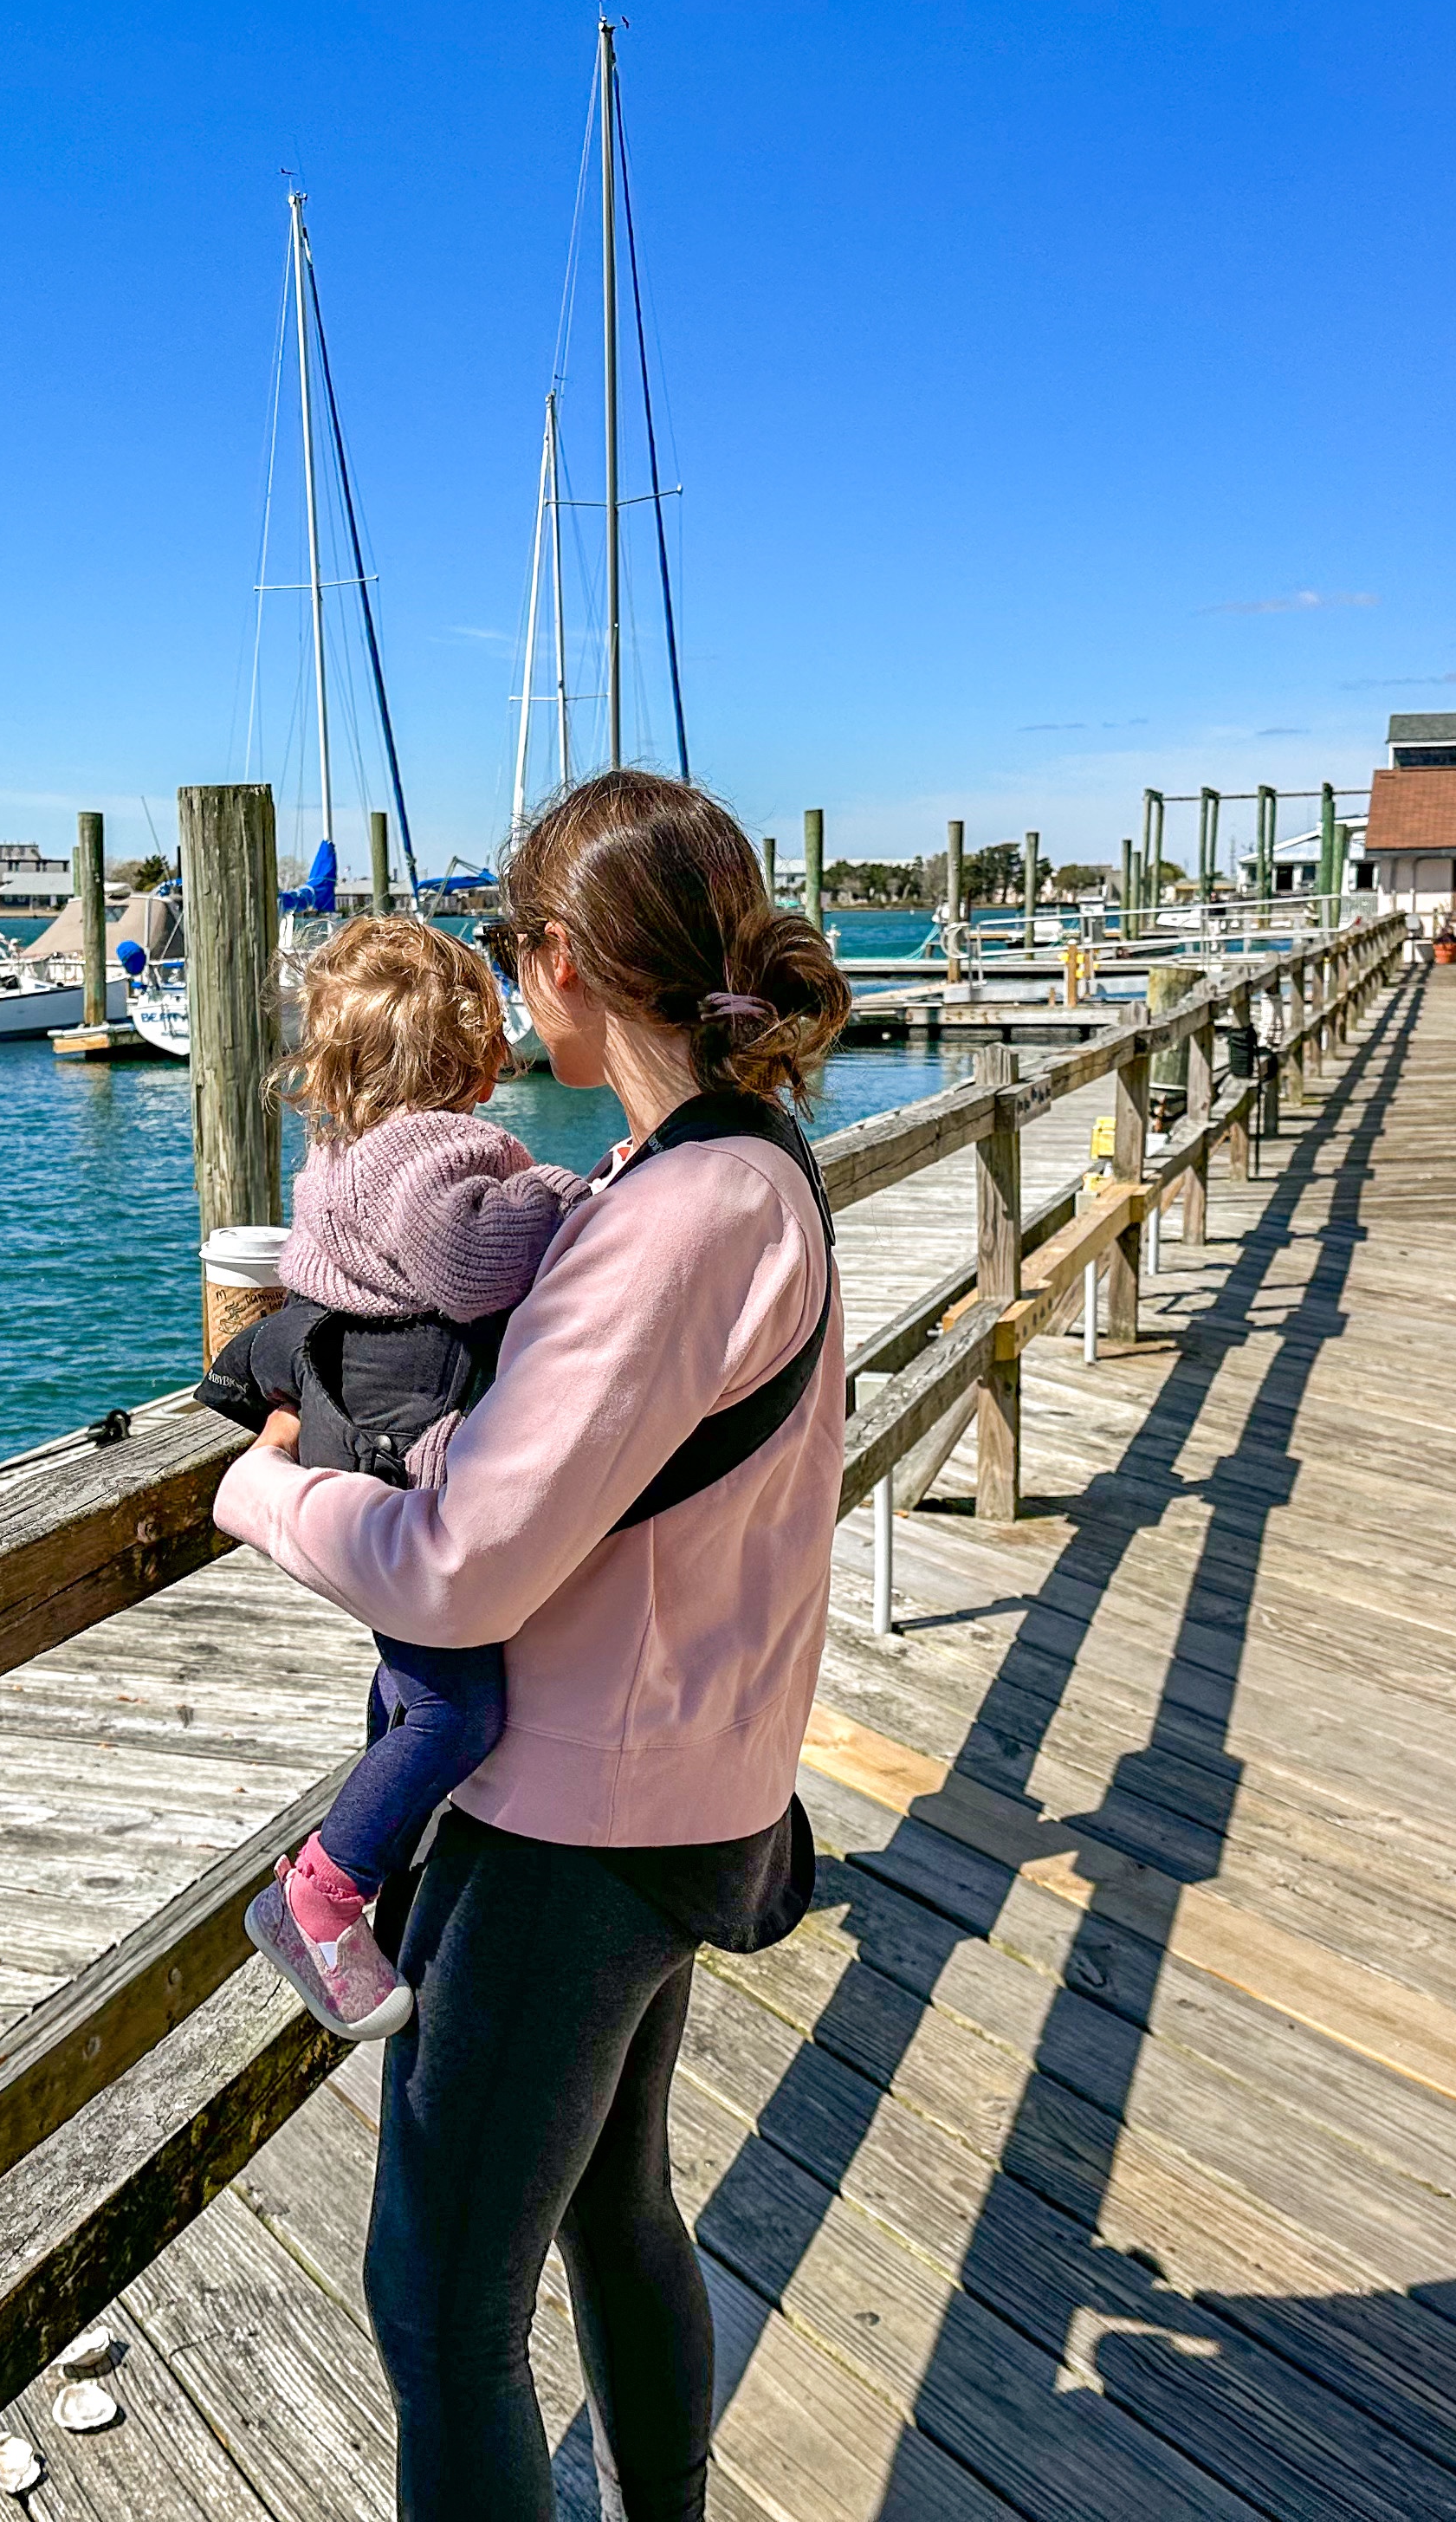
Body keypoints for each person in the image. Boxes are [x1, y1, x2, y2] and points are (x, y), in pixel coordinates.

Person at [215, 769, 857, 2522]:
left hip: (578, 1833)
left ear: (565, 960)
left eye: (515, 945)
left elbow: (458, 1568)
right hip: (695, 1789)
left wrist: (260, 1498)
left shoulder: (669, 1219)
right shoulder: (737, 1168)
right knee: (614, 2211)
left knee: (438, 2310)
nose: (512, 975)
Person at [196, 916, 584, 2039]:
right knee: (461, 1711)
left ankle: (386, 1846)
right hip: (405, 1463)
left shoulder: (344, 1158)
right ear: (471, 1058)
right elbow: (469, 1269)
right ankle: (323, 1892)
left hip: (344, 1439)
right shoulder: (437, 1153)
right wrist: (562, 1195)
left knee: (410, 1689)